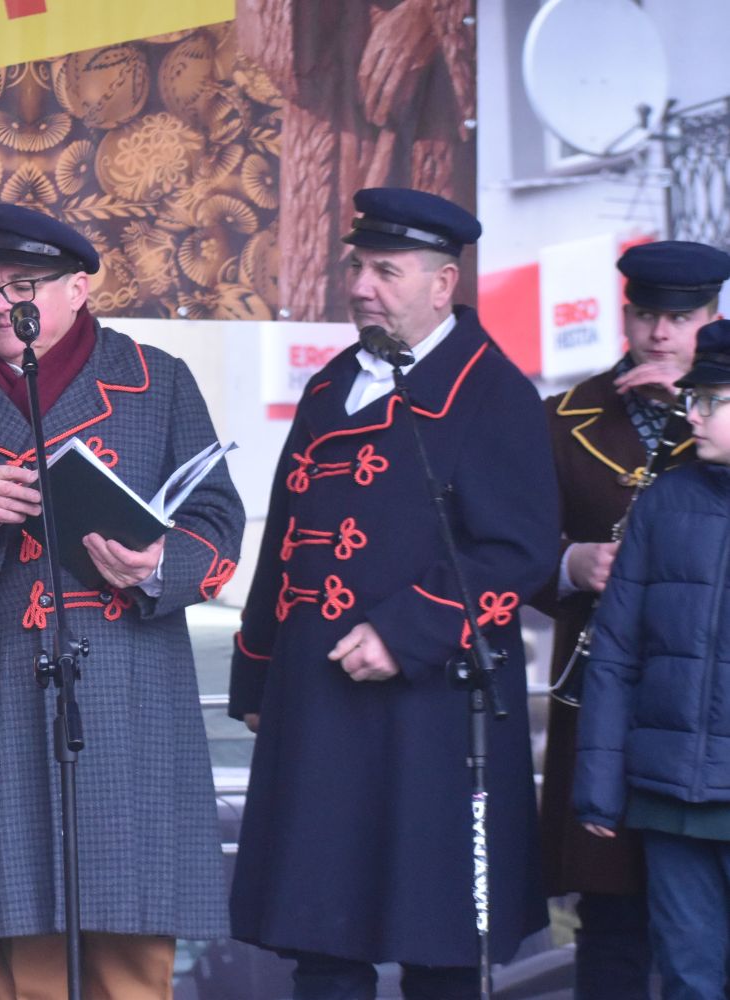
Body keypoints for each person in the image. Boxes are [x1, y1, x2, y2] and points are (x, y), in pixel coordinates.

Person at [0, 203, 244, 999]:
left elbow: (219, 525)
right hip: (1, 704)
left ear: (78, 289)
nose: (1, 304)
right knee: (19, 956)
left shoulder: (158, 382)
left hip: (130, 702)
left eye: (24, 287)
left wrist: (155, 564)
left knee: (130, 959)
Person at [228, 188, 559, 999]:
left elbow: (517, 551)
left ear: (443, 283)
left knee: (437, 948)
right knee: (320, 944)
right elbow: (285, 540)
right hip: (316, 700)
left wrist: (406, 633)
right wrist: (259, 675)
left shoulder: (495, 391)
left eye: (386, 271)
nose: (362, 287)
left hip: (431, 707)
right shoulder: (329, 384)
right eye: (357, 268)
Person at [535, 240, 730, 999]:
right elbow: (504, 548)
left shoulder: (711, 411)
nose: (660, 333)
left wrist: (694, 400)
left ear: (711, 319)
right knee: (612, 917)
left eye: (681, 318)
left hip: (711, 711)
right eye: (646, 315)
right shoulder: (565, 417)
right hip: (605, 700)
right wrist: (569, 563)